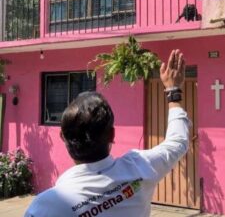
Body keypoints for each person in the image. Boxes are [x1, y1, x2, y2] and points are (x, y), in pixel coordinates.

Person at [24, 49, 189, 217]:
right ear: (112, 135)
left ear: (63, 137)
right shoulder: (140, 167)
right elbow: (177, 142)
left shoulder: (47, 206)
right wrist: (173, 91)